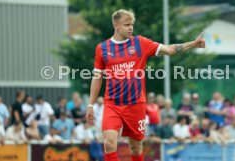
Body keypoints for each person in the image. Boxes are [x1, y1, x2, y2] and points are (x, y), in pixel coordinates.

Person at [86, 9, 205, 161]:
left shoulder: (140, 43)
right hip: (112, 104)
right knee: (109, 144)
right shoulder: (102, 48)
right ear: (116, 25)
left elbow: (169, 50)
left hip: (135, 105)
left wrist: (193, 44)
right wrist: (90, 105)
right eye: (127, 24)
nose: (131, 28)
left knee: (135, 147)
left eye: (132, 24)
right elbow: (97, 77)